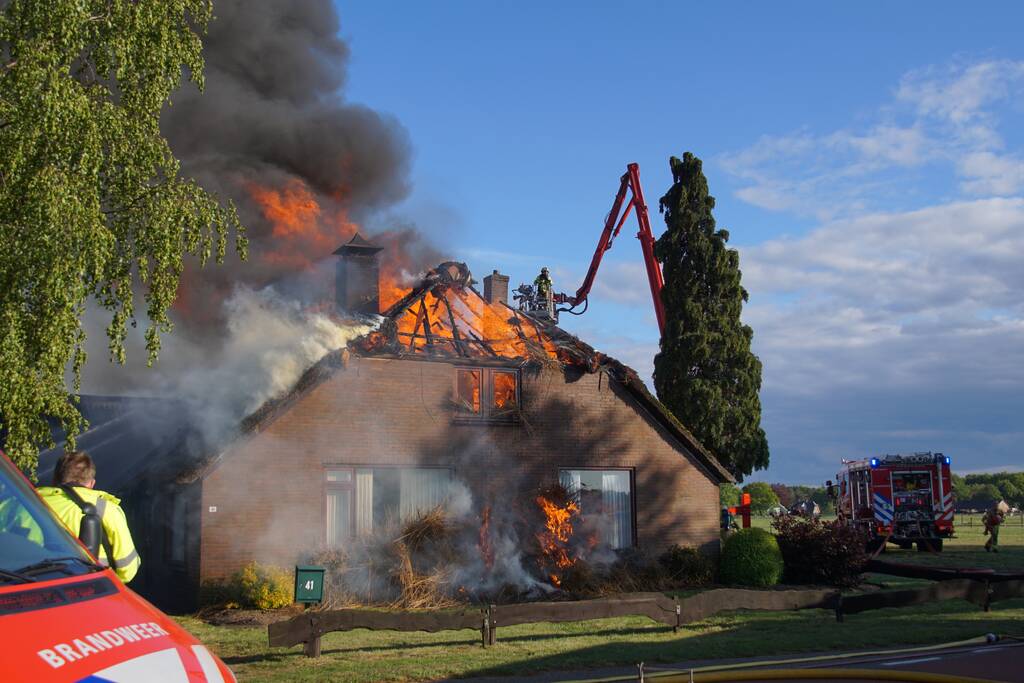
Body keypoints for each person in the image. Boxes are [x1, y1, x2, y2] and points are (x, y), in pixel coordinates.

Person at [38, 451, 140, 582]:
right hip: (92, 592)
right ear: (92, 483)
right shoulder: (107, 510)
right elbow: (128, 570)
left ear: (55, 480)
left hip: (31, 591)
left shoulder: (24, 503)